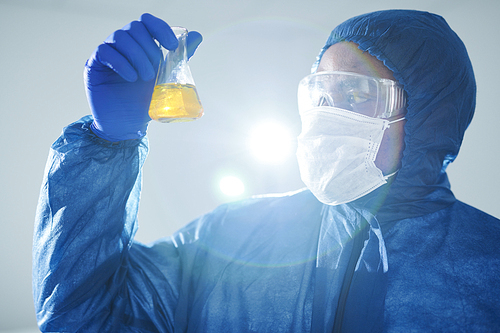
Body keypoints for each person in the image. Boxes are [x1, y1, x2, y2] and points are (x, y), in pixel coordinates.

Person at [33, 9, 500, 332]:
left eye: (357, 96)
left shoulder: (488, 268)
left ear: (429, 120)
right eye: (320, 94)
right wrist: (107, 145)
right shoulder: (232, 236)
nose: (327, 114)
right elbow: (83, 318)